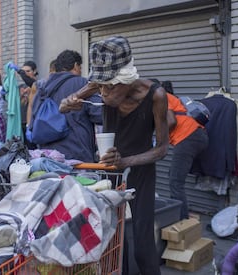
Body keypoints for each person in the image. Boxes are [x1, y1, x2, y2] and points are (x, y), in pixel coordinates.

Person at [59, 36, 169, 275]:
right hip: (108, 171)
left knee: (142, 243)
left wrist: (126, 161)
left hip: (140, 171)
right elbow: (63, 105)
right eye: (100, 86)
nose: (104, 93)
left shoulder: (156, 95)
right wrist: (71, 103)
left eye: (110, 86)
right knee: (114, 242)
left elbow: (162, 149)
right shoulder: (101, 85)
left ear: (126, 79)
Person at [33, 50, 102, 162]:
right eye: (80, 67)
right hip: (77, 159)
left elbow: (32, 124)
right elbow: (99, 114)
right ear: (75, 66)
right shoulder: (82, 84)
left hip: (47, 159)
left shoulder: (42, 88)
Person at [162, 80, 209, 220]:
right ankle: (181, 213)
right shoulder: (173, 99)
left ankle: (180, 220)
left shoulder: (162, 97)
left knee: (175, 182)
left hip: (188, 137)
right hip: (196, 135)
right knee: (173, 175)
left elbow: (171, 122)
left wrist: (160, 139)